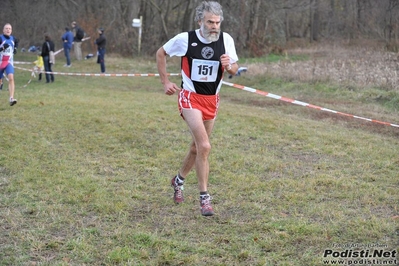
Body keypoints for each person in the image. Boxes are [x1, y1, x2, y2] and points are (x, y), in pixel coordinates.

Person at [156, 1, 239, 216]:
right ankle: (204, 198)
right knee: (205, 145)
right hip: (190, 98)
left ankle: (178, 180)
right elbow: (161, 53)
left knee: (196, 149)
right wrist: (166, 82)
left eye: (217, 22)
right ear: (200, 20)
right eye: (210, 22)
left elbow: (234, 70)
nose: (214, 26)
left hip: (212, 99)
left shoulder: (225, 39)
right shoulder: (186, 39)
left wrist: (228, 65)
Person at [0, 23, 18, 106]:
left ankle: (11, 98)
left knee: (11, 77)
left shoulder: (13, 38)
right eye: (6, 28)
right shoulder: (0, 38)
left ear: (11, 30)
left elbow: (17, 42)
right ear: (3, 30)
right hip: (0, 62)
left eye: (9, 28)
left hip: (8, 62)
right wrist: (2, 48)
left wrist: (15, 48)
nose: (8, 30)